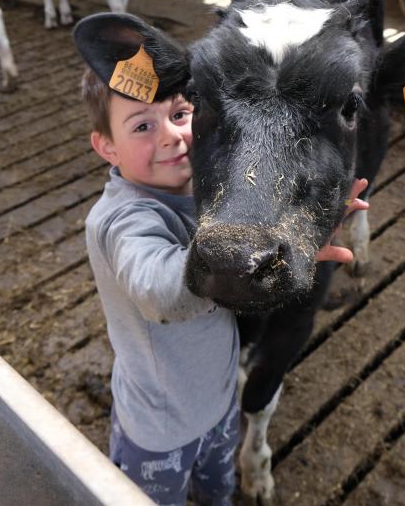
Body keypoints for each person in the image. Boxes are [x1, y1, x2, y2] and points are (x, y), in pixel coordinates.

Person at [77, 42, 368, 506]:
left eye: (181, 114)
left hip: (218, 404)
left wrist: (294, 236)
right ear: (106, 147)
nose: (171, 137)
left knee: (219, 490)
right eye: (143, 126)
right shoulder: (122, 220)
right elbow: (157, 292)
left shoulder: (200, 189)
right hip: (160, 430)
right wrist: (238, 249)